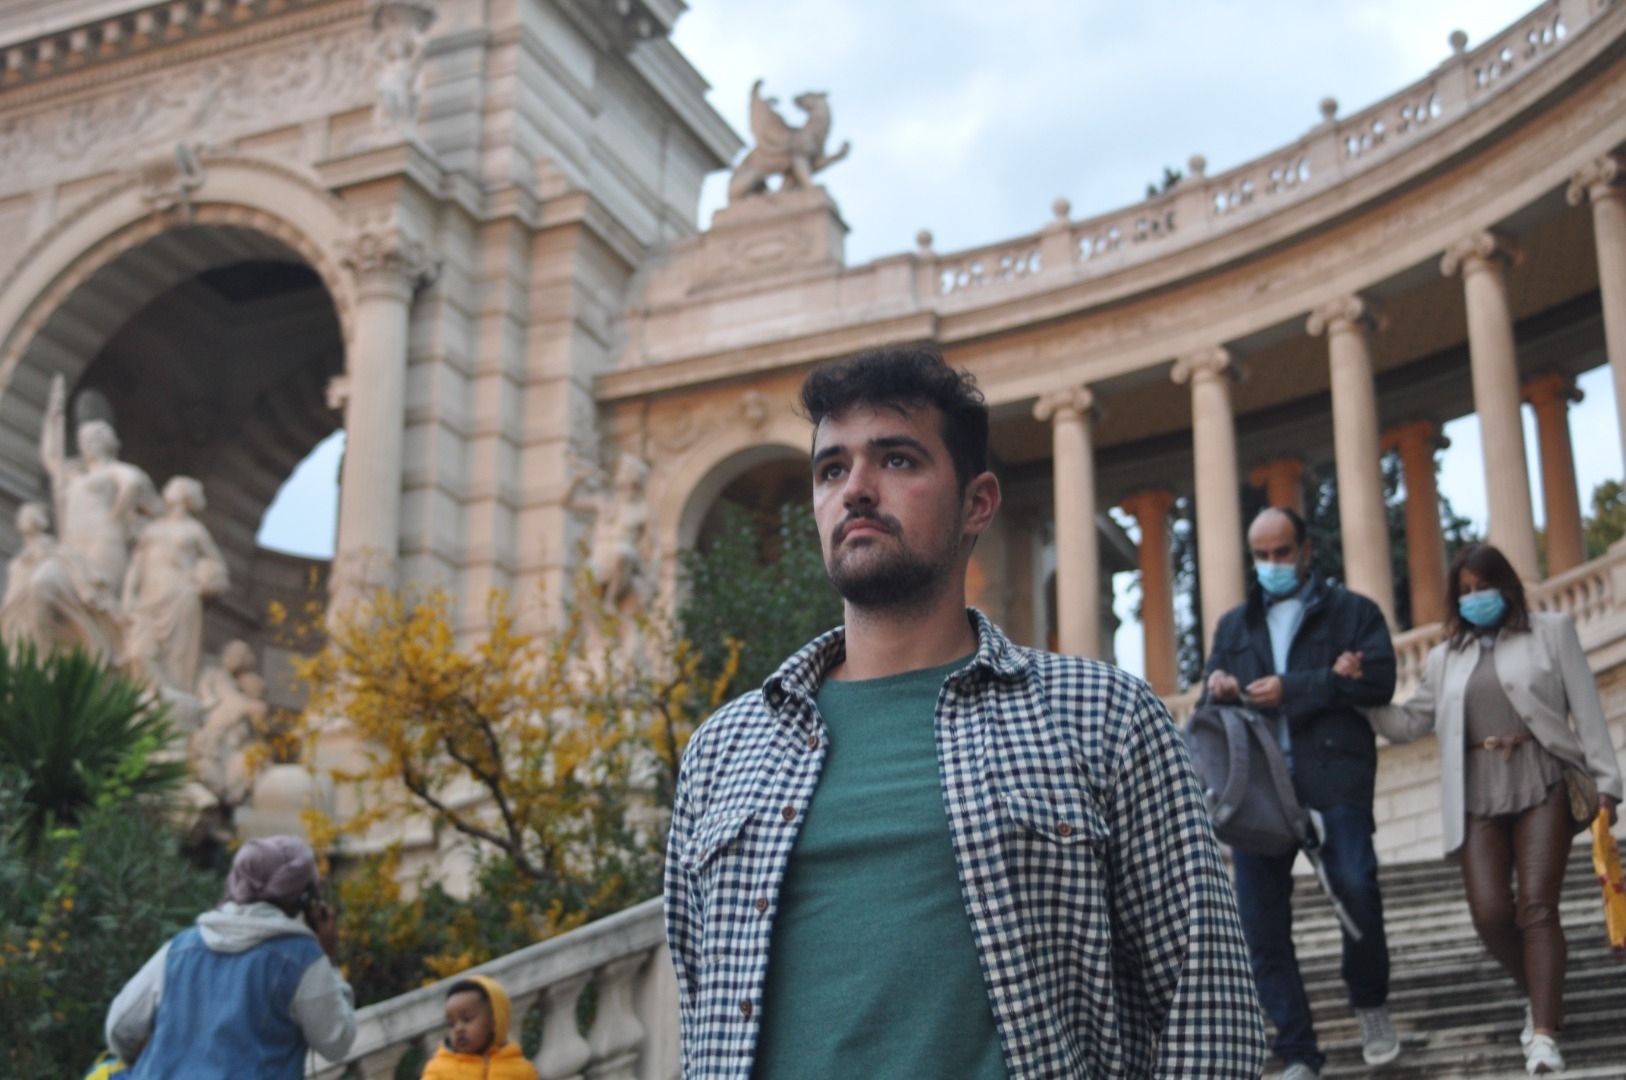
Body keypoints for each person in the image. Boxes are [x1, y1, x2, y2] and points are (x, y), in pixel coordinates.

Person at [664, 346, 1265, 1080]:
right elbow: (702, 1015)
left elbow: (1209, 1008)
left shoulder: (1103, 716)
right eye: (831, 469)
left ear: (977, 503)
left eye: (897, 460)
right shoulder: (723, 749)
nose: (856, 490)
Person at [1348, 543, 1622, 1076]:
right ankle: (1543, 997)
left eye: (1484, 587)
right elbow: (1409, 723)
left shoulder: (1553, 631)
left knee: (1537, 907)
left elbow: (1586, 709)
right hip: (1476, 793)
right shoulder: (1444, 657)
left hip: (1543, 779)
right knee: (1490, 913)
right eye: (1466, 591)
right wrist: (1355, 693)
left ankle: (1544, 1037)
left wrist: (1607, 784)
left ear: (1507, 586)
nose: (1475, 598)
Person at [1202, 506, 1399, 1079]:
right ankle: (1297, 1051)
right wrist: (1222, 687)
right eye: (1261, 555)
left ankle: (1369, 1001)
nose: (1272, 564)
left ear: (1306, 551)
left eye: (1282, 552)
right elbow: (1212, 700)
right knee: (1260, 925)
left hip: (1333, 777)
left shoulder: (1354, 611)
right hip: (1258, 790)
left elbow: (1379, 679)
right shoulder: (1234, 626)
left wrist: (1293, 688)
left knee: (1356, 886)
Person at [105, 835, 357, 1077]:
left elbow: (119, 1028)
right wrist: (330, 961)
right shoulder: (302, 959)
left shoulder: (179, 949)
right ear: (305, 896)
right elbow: (336, 1042)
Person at [422, 975, 539, 1080]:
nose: (458, 1029)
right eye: (451, 1024)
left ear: (494, 1020)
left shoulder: (522, 1071)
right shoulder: (438, 1070)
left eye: (467, 1019)